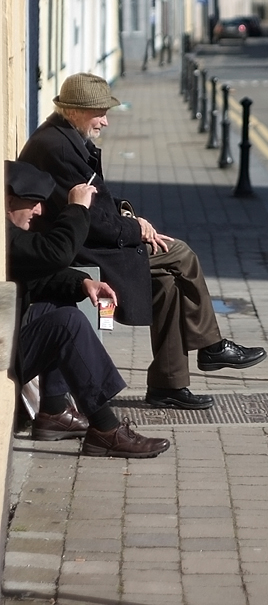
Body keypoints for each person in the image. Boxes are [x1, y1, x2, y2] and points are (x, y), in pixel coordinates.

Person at [19, 73, 267, 410]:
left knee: (167, 285)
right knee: (180, 254)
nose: (105, 121)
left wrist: (129, 217)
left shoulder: (67, 136)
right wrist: (134, 229)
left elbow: (99, 200)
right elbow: (88, 219)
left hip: (84, 237)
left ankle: (169, 385)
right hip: (75, 248)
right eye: (99, 113)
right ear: (74, 111)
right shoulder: (58, 147)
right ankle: (212, 346)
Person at [5, 160, 169, 458]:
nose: (40, 211)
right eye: (34, 203)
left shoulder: (9, 235)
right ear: (8, 201)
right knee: (67, 323)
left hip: (10, 341)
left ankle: (53, 412)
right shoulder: (5, 237)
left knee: (59, 300)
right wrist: (78, 208)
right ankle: (105, 429)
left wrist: (82, 282)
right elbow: (55, 253)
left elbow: (35, 271)